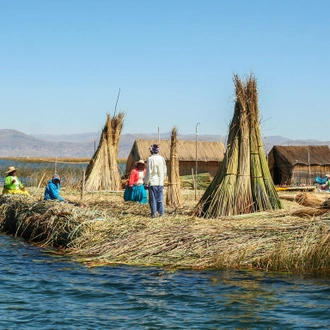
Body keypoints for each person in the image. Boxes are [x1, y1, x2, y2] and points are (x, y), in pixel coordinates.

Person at [144, 144, 167, 217]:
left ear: (151, 151)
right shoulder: (162, 158)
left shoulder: (150, 159)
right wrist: (163, 180)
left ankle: (153, 213)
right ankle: (161, 213)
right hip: (160, 182)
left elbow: (149, 172)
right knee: (160, 198)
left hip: (153, 181)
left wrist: (146, 182)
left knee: (153, 199)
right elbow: (164, 170)